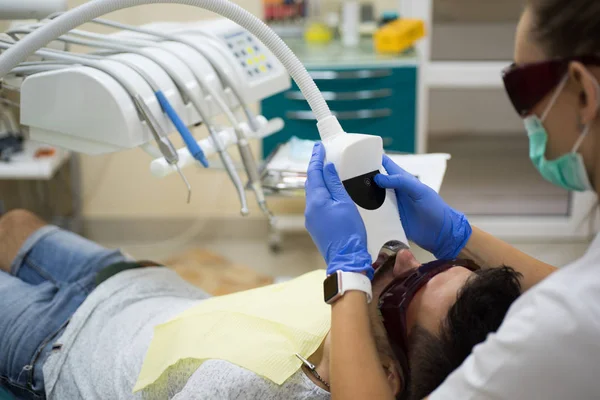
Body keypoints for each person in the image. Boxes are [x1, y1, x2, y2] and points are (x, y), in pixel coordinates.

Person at [304, 1, 600, 399]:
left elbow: (576, 309)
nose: (408, 257)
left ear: (583, 91)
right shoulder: (574, 308)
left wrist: (345, 277)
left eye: (522, 88)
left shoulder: (541, 342)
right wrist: (457, 238)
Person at [0, 210, 521, 400]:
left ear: (385, 378)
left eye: (407, 289)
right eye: (429, 264)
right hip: (139, 286)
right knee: (16, 222)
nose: (404, 259)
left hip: (58, 343)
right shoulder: (357, 319)